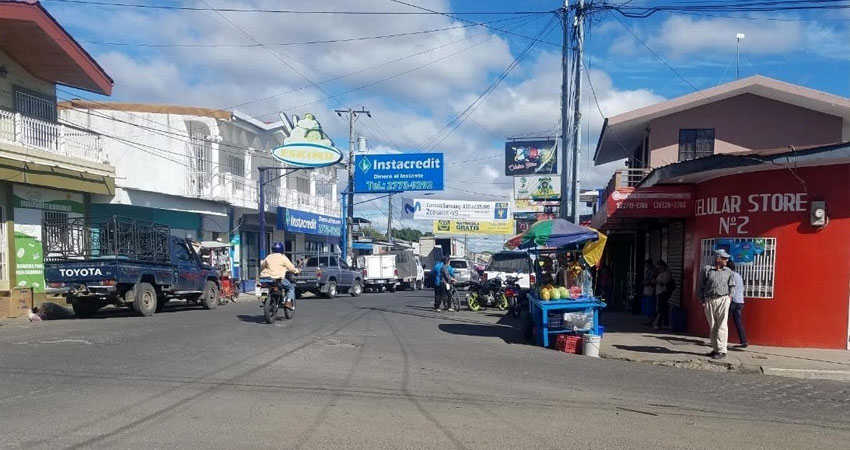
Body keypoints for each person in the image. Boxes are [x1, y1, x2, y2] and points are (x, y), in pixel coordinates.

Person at [699, 249, 736, 360]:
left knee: (722, 325)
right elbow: (701, 286)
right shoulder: (707, 270)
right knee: (713, 326)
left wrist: (730, 297)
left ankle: (722, 350)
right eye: (724, 258)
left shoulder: (728, 271)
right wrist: (703, 300)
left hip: (723, 299)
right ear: (717, 258)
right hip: (710, 300)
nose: (726, 260)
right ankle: (715, 348)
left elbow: (732, 285)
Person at [259, 242, 300, 310]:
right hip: (277, 279)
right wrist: (297, 271)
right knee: (291, 288)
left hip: (265, 278)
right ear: (282, 249)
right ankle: (288, 302)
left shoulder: (268, 257)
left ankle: (264, 299)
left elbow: (262, 266)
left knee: (264, 288)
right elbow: (291, 268)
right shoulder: (283, 257)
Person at [727, 261, 748, 349]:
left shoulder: (730, 275)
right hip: (740, 301)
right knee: (738, 322)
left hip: (733, 301)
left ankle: (720, 340)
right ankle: (744, 341)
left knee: (723, 321)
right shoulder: (738, 275)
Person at [653, 260, 674, 329]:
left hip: (663, 292)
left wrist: (657, 281)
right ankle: (665, 322)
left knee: (661, 308)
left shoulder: (667, 273)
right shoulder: (660, 273)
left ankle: (659, 323)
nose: (658, 269)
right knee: (662, 307)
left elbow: (665, 282)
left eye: (659, 267)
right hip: (659, 292)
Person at [642, 258, 657, 325]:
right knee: (647, 305)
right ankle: (649, 320)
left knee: (651, 305)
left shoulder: (654, 270)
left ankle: (652, 320)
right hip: (647, 289)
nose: (645, 265)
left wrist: (647, 282)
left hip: (652, 289)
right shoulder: (648, 270)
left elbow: (652, 280)